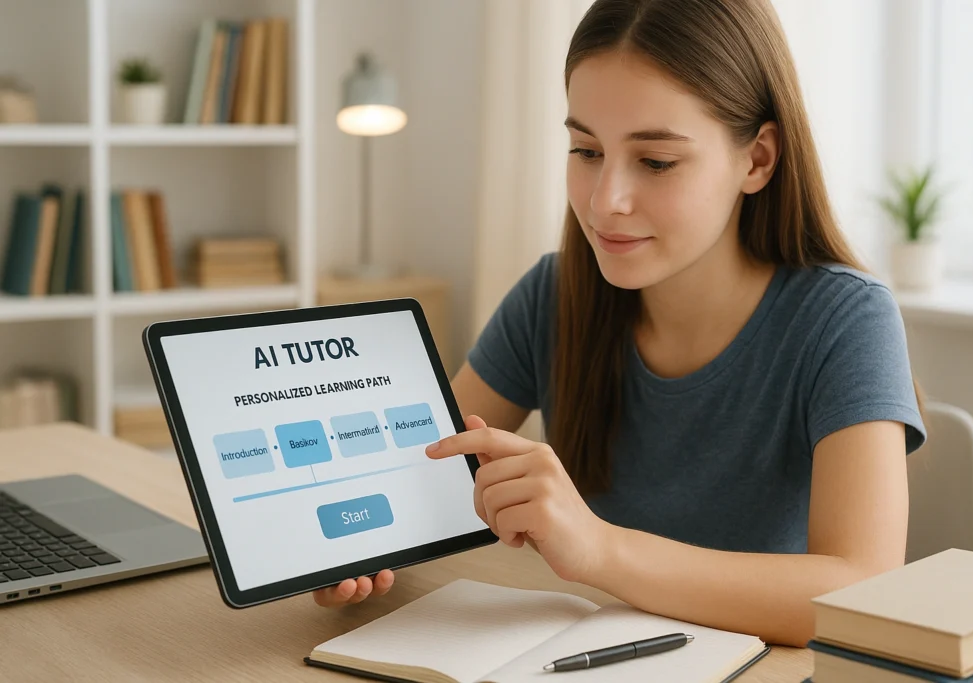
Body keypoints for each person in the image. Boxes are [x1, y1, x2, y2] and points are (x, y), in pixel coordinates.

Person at [312, 0, 926, 648]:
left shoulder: (844, 320)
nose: (605, 201)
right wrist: (353, 544)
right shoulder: (553, 294)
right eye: (585, 150)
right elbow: (424, 473)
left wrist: (600, 548)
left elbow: (861, 591)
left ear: (757, 159)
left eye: (655, 161)